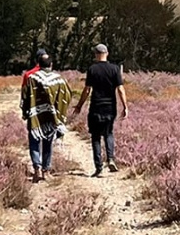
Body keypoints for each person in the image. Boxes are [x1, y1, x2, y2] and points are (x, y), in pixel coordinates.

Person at [71, 44, 128, 178]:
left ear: (96, 55)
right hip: (110, 107)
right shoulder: (115, 69)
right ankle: (111, 159)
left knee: (96, 137)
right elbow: (120, 89)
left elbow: (87, 90)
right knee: (109, 133)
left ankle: (98, 167)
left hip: (96, 107)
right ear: (107, 53)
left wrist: (79, 105)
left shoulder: (92, 69)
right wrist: (125, 106)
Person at [21, 53, 72, 182]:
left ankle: (37, 168)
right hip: (51, 117)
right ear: (51, 64)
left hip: (35, 116)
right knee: (48, 142)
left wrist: (25, 112)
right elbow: (67, 95)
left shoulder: (32, 78)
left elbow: (25, 95)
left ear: (39, 64)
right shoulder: (58, 79)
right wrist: (60, 113)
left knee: (34, 141)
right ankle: (46, 170)